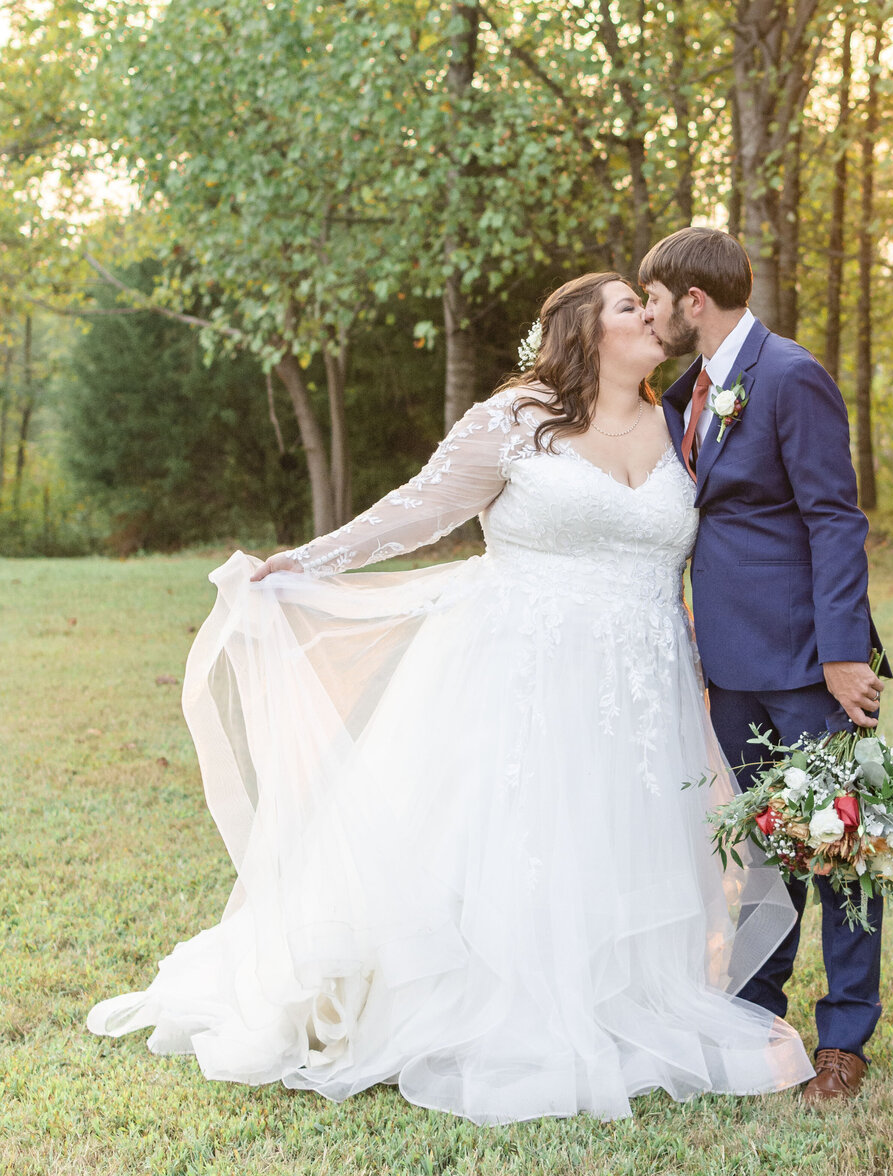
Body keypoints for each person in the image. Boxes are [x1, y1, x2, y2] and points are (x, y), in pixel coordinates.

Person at [87, 273, 813, 1124]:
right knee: (518, 835)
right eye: (629, 306)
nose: (651, 316)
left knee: (615, 833)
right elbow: (420, 510)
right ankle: (494, 997)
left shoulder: (682, 420)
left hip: (642, 681)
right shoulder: (513, 421)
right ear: (585, 331)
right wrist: (311, 562)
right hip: (523, 667)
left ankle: (616, 993)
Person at [641, 227, 889, 1106]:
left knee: (844, 843)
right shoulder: (686, 394)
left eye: (657, 302)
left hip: (806, 663)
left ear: (693, 302)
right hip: (730, 662)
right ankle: (755, 1014)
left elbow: (835, 517)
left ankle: (847, 1037)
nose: (651, 316)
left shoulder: (790, 376)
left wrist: (843, 654)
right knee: (764, 839)